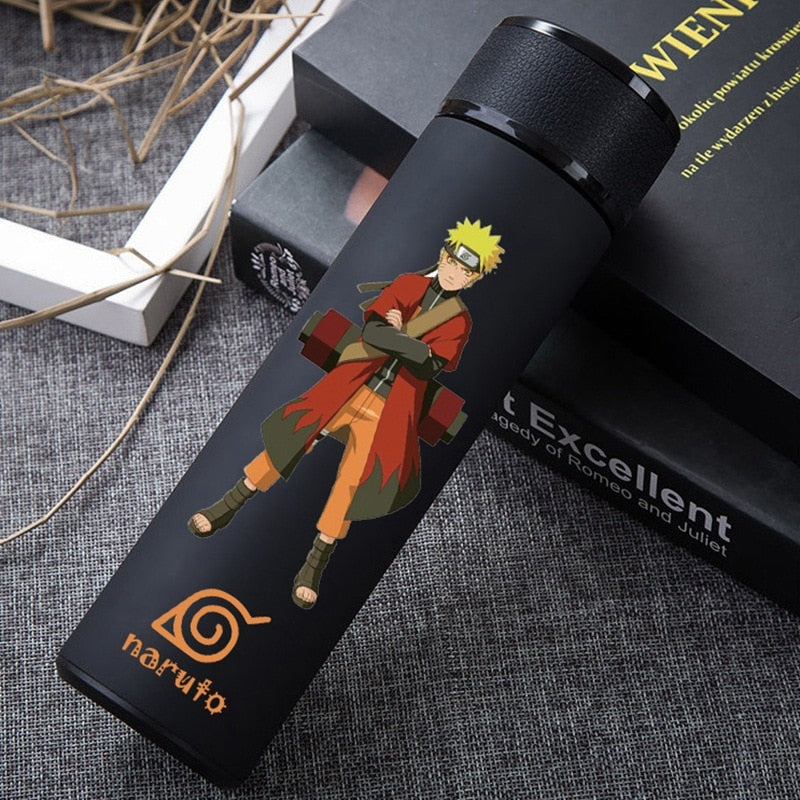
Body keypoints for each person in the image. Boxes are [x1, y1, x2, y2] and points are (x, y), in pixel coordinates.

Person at [188, 218, 504, 609]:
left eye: (466, 270)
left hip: (392, 407)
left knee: (354, 481)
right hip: (351, 384)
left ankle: (314, 565)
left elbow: (428, 366)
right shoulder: (408, 284)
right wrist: (410, 344)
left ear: (474, 278)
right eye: (453, 261)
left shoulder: (458, 321)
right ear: (444, 255)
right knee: (295, 437)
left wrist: (399, 335)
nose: (455, 272)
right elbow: (374, 334)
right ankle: (227, 505)